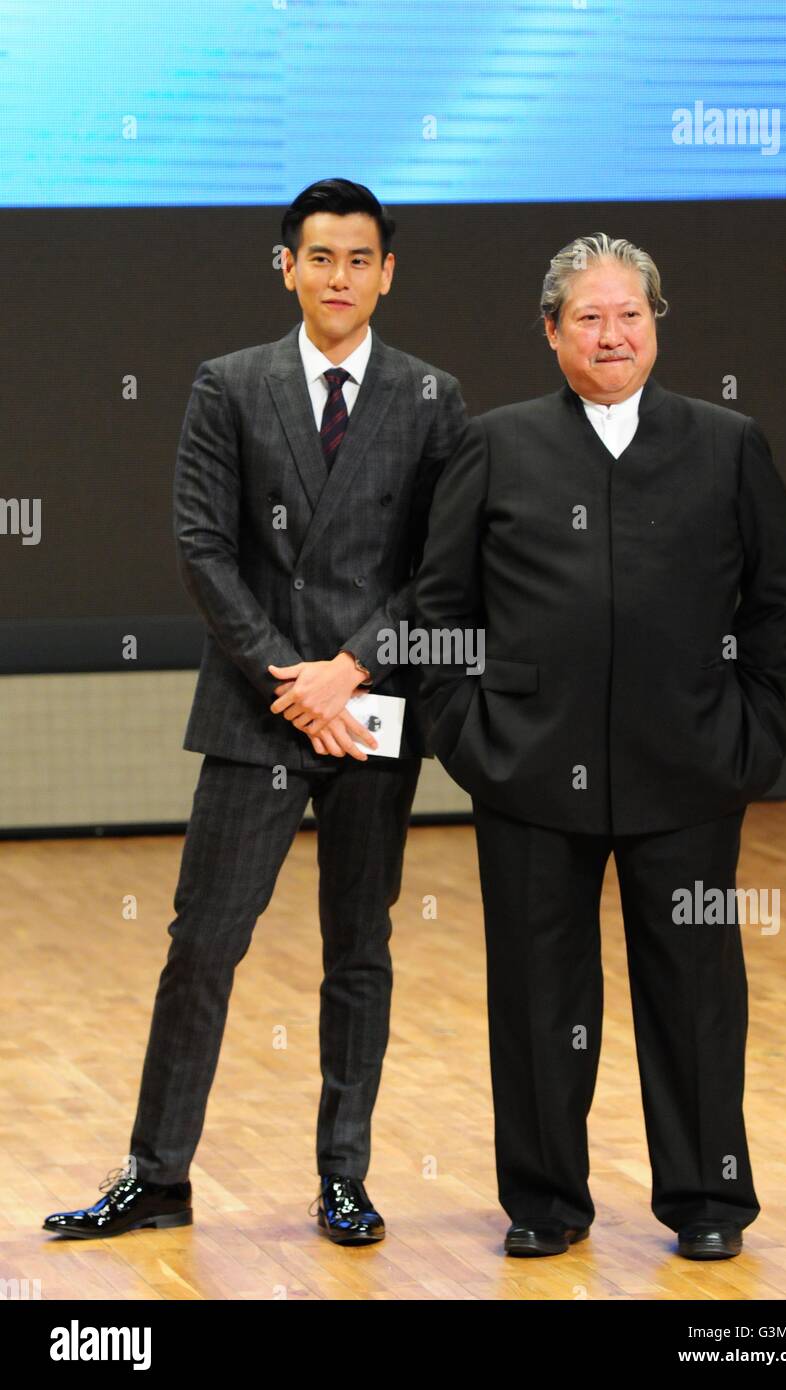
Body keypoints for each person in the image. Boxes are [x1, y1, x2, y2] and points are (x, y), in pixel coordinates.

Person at [43, 178, 468, 1245]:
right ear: (286, 266)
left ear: (386, 271)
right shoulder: (227, 385)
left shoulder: (431, 397)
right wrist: (294, 675)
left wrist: (351, 668)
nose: (339, 276)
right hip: (257, 709)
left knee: (357, 949)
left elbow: (442, 566)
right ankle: (157, 1173)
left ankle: (343, 1178)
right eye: (319, 257)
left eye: (359, 258)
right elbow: (202, 547)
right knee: (202, 944)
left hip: (369, 714)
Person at [415, 233, 786, 1261]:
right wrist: (467, 733)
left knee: (695, 992)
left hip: (688, 773)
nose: (610, 333)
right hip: (528, 772)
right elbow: (438, 611)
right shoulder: (495, 445)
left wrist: (747, 737)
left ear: (653, 324)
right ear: (549, 332)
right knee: (539, 999)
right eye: (586, 317)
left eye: (627, 314)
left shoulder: (725, 444)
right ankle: (544, 1201)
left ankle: (707, 1199)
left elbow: (773, 608)